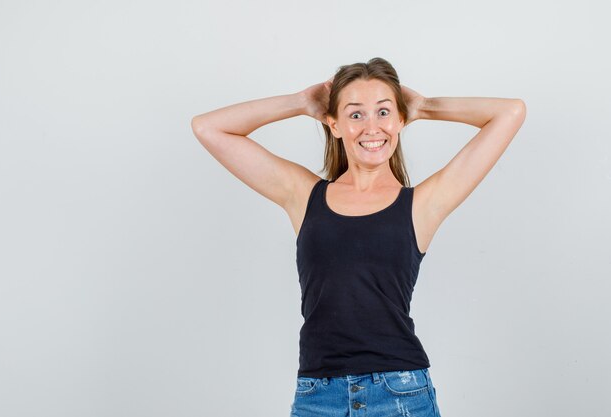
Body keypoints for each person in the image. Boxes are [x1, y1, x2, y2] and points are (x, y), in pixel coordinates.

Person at [190, 57, 526, 417]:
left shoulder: (423, 204)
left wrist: (425, 107)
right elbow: (208, 128)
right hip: (318, 397)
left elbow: (510, 112)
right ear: (333, 124)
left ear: (400, 120)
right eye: (355, 114)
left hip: (401, 394)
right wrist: (301, 102)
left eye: (383, 112)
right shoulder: (303, 196)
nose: (371, 127)